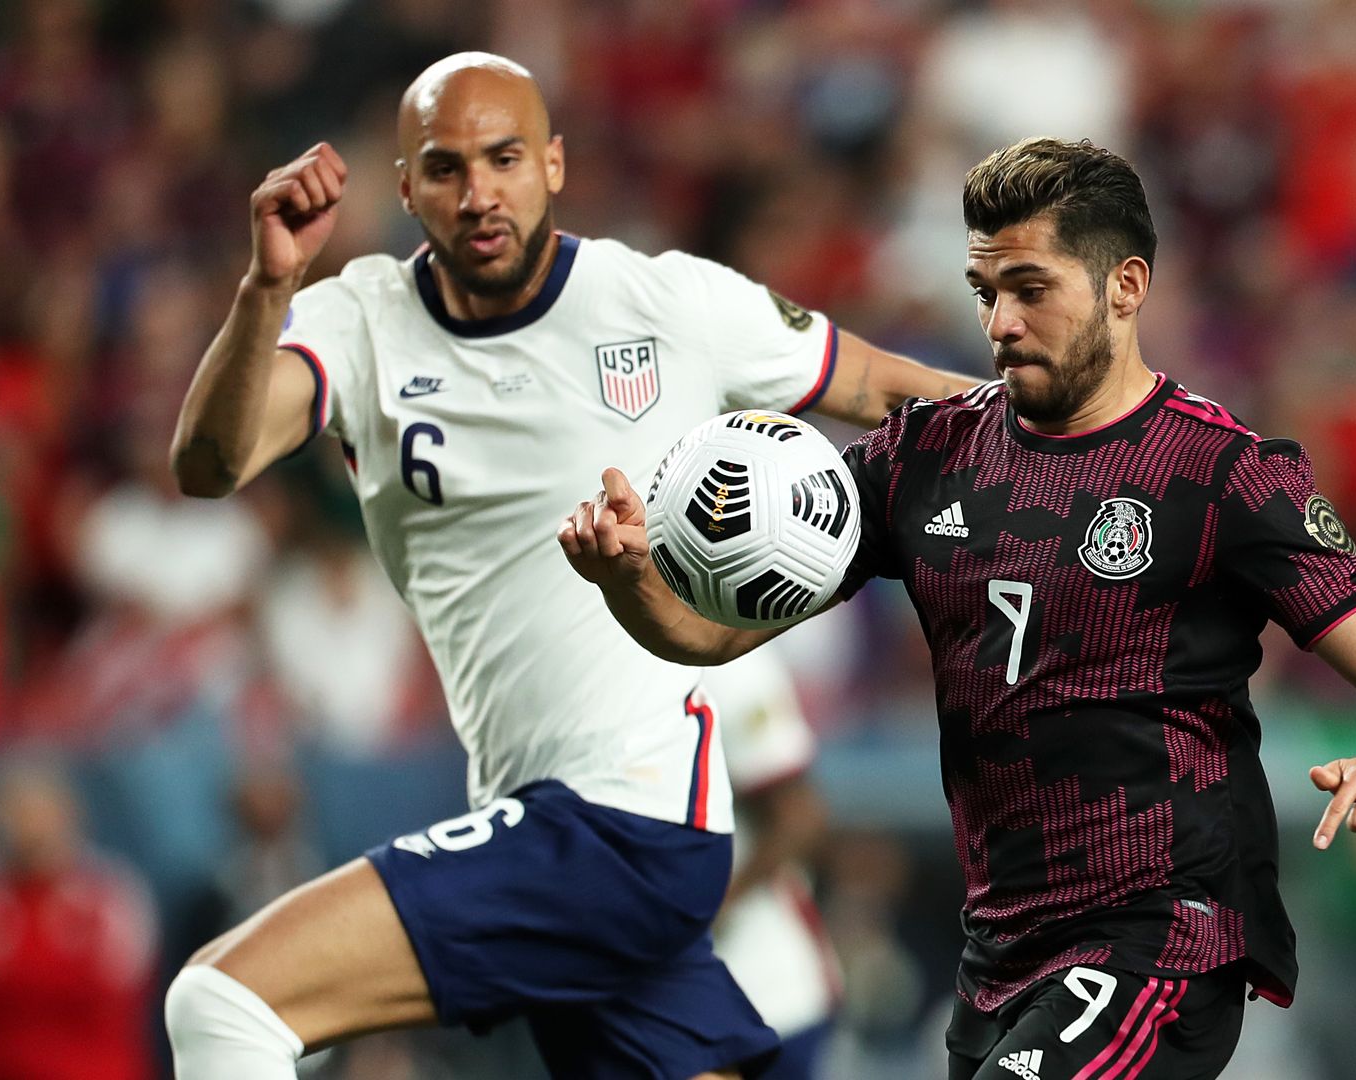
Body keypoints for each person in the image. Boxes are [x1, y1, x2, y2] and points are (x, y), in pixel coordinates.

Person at [561, 137, 1356, 1080]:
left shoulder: (1220, 474)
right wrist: (628, 576)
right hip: (999, 952)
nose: (999, 323)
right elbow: (710, 634)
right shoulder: (923, 455)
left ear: (1126, 286)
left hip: (1159, 934)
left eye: (1031, 289)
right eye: (984, 292)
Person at [163, 52, 972, 1080]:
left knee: (224, 1003)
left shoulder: (666, 304)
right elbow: (209, 462)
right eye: (446, 169)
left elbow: (886, 385)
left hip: (617, 822)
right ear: (406, 187)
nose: (478, 192)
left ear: (553, 163)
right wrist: (267, 288)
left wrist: (1080, 436)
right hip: (559, 823)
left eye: (504, 158)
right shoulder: (357, 319)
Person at [0, 760, 158, 1080]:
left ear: (70, 817)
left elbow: (119, 993)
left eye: (40, 813)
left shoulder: (112, 891)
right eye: (16, 814)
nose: (30, 828)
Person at [707, 650, 841, 1079]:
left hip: (761, 988)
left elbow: (799, 818)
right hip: (662, 991)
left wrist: (707, 908)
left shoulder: (730, 666)